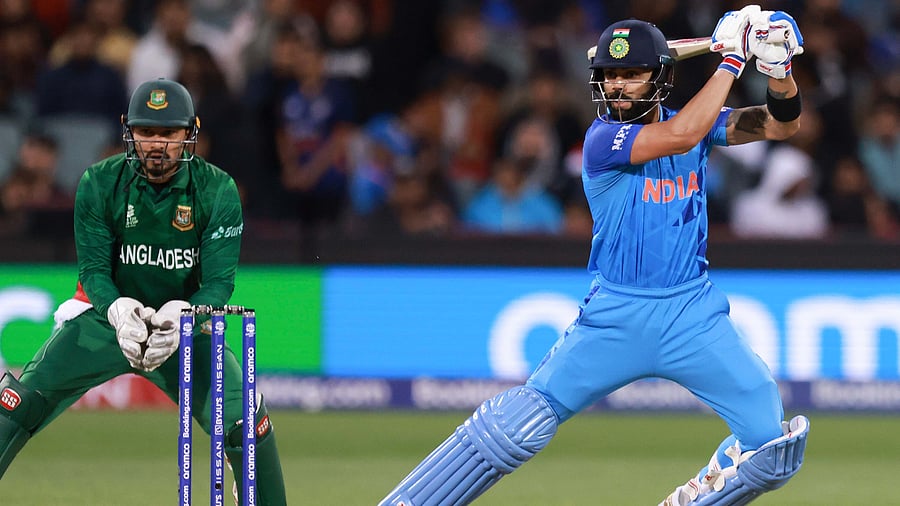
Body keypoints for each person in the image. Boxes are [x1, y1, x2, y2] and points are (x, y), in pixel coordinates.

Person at [378, 6, 810, 506]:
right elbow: (682, 134)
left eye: (631, 74)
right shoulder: (603, 139)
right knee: (517, 425)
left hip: (692, 314)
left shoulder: (695, 123)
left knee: (773, 446)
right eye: (610, 76)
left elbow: (781, 126)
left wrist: (778, 71)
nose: (619, 86)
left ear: (661, 77)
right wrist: (733, 60)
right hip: (615, 318)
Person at [0, 78, 287, 505]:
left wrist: (183, 315)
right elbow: (94, 271)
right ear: (127, 129)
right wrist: (117, 310)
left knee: (248, 424)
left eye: (168, 134)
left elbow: (219, 284)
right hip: (104, 320)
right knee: (17, 404)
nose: (156, 145)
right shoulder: (99, 183)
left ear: (191, 131)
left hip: (184, 328)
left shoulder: (217, 190)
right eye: (146, 132)